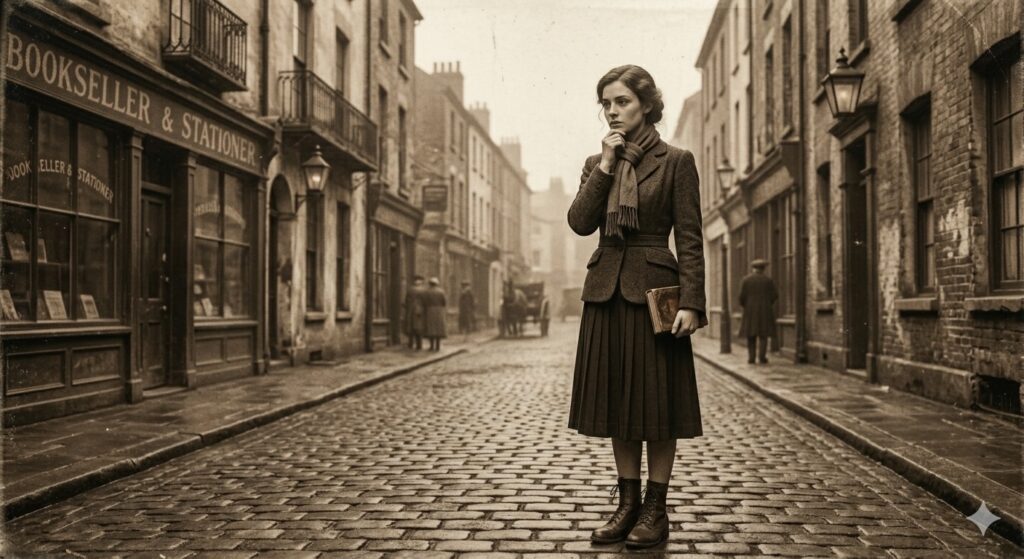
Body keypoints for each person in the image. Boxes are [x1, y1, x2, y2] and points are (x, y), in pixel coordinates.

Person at [566, 65, 707, 549]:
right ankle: (626, 505)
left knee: (657, 405)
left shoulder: (676, 161)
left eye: (622, 101)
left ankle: (655, 509)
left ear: (647, 104)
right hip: (605, 293)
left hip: (654, 299)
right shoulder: (596, 162)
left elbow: (689, 238)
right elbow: (581, 223)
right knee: (616, 404)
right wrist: (606, 167)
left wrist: (693, 302)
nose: (612, 110)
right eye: (606, 102)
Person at [739, 259, 777, 364]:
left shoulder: (746, 280)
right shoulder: (768, 280)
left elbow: (741, 297)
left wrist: (747, 305)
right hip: (765, 311)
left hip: (750, 312)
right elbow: (774, 296)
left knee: (751, 335)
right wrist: (767, 304)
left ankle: (751, 358)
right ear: (763, 269)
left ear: (753, 268)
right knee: (763, 335)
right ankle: (762, 357)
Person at [422, 277, 447, 352]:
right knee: (438, 329)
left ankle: (432, 346)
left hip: (430, 311)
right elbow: (444, 302)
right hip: (439, 311)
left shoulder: (427, 292)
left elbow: (424, 302)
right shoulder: (441, 291)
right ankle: (437, 346)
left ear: (430, 284)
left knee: (431, 329)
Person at [404, 275, 426, 350]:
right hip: (419, 311)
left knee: (411, 327)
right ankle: (419, 345)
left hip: (410, 310)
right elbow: (425, 301)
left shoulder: (410, 289)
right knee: (418, 327)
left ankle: (410, 343)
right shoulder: (423, 290)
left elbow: (406, 300)